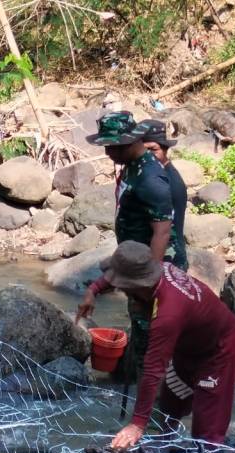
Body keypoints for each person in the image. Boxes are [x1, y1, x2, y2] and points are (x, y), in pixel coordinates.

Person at [77, 241, 235, 446]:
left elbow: (153, 369)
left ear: (136, 286)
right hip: (188, 345)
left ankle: (210, 451)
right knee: (170, 405)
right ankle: (166, 447)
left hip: (220, 350)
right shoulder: (159, 269)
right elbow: (120, 274)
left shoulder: (168, 314)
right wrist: (92, 290)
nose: (118, 287)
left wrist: (137, 424)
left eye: (122, 286)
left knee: (207, 428)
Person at [85, 111, 184, 382]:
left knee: (154, 341)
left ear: (130, 142)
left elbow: (162, 232)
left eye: (111, 147)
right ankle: (146, 399)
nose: (107, 153)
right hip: (137, 264)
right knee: (142, 336)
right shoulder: (131, 166)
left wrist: (150, 282)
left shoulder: (151, 178)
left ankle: (156, 410)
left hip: (155, 268)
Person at [142, 120, 188, 271]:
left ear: (165, 149)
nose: (149, 155)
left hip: (169, 259)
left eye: (153, 149)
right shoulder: (153, 174)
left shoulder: (171, 183)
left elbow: (165, 231)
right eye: (144, 150)